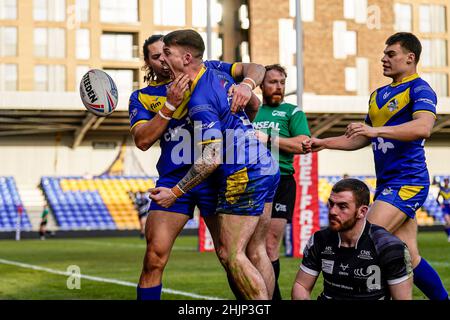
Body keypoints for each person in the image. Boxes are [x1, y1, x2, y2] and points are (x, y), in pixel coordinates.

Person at [304, 32, 449, 300]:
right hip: (387, 184)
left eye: (390, 54)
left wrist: (375, 131)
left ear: (410, 58)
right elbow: (361, 135)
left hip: (408, 181)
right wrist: (324, 142)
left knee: (363, 240)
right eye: (384, 54)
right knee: (411, 256)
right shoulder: (377, 95)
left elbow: (423, 127)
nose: (383, 59)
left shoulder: (420, 89)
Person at [131, 34, 266, 300]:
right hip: (173, 178)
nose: (163, 61)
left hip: (216, 177)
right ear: (148, 62)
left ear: (183, 57)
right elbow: (143, 140)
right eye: (156, 57)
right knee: (154, 257)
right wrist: (170, 104)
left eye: (166, 53)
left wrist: (248, 85)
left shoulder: (210, 69)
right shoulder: (143, 97)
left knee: (230, 256)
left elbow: (257, 68)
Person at [292, 178, 413, 300]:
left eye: (342, 206)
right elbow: (301, 285)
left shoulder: (389, 247)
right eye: (331, 204)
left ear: (362, 211)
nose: (333, 211)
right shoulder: (319, 240)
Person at [252, 64, 311, 300]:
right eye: (273, 82)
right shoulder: (251, 110)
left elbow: (302, 144)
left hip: (281, 181)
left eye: (282, 82)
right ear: (261, 85)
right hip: (251, 183)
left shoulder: (292, 112)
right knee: (248, 248)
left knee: (269, 244)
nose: (278, 87)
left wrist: (267, 138)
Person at [436, 177, 450, 242]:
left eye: (447, 181)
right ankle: (449, 236)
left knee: (447, 224)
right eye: (445, 181)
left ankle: (448, 234)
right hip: (445, 207)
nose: (446, 182)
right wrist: (440, 204)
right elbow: (437, 199)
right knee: (448, 222)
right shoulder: (441, 190)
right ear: (444, 182)